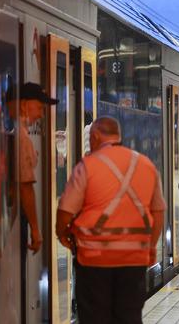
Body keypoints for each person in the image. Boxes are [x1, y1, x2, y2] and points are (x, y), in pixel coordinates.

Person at [55, 116, 166, 324]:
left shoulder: (86, 167)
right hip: (133, 260)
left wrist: (64, 236)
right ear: (119, 136)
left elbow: (64, 212)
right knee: (129, 316)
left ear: (95, 136)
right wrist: (150, 247)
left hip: (94, 262)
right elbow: (159, 211)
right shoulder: (145, 165)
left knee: (95, 317)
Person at [8, 82, 58, 253]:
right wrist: (35, 230)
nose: (41, 115)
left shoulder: (13, 130)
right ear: (23, 104)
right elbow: (25, 185)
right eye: (40, 108)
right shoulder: (20, 136)